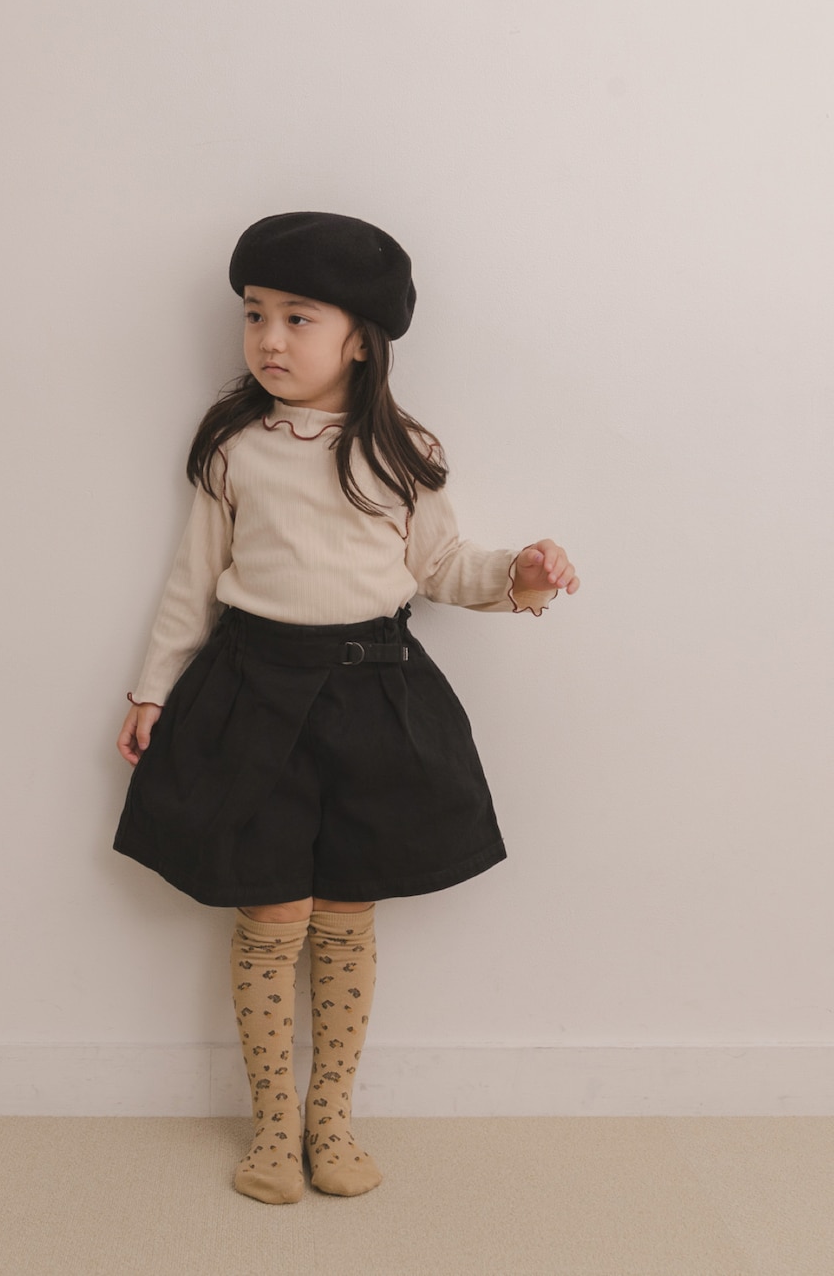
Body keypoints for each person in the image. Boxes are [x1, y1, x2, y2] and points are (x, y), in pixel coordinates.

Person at [113, 211, 579, 1205]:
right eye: (254, 314)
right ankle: (272, 1125)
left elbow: (442, 566)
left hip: (373, 697)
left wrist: (520, 573)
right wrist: (153, 685)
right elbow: (193, 579)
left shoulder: (402, 451)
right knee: (269, 911)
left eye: (298, 317)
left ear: (360, 338)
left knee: (343, 914)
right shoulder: (237, 447)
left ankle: (332, 1117)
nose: (269, 339)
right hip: (250, 692)